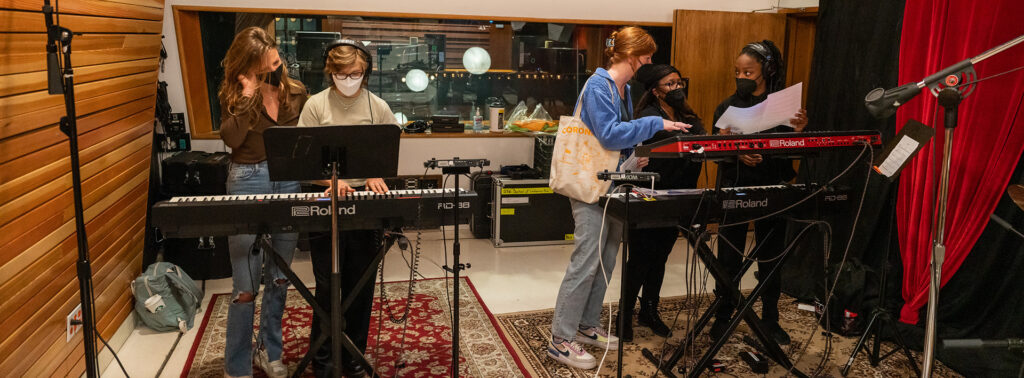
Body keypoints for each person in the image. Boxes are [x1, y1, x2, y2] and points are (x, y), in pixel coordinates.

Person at [547, 26, 690, 370]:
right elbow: (608, 135)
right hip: (590, 186)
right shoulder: (598, 85)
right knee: (586, 260)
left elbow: (617, 139)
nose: (650, 62)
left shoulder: (621, 88)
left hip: (611, 183)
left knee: (607, 256)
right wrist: (656, 123)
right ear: (631, 55)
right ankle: (560, 340)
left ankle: (586, 324)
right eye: (648, 56)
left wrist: (634, 156)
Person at [297, 39, 400, 378]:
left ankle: (354, 354)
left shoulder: (378, 107)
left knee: (361, 283)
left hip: (363, 205)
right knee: (328, 286)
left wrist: (373, 174)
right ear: (332, 73)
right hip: (326, 204)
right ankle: (324, 359)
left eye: (356, 73)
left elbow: (385, 156)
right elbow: (303, 161)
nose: (350, 79)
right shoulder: (315, 106)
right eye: (343, 74)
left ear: (366, 71)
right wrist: (330, 182)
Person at [217, 26, 307, 378]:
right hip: (247, 179)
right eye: (266, 66)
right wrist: (248, 95)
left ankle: (271, 351)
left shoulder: (295, 92)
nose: (276, 69)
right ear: (248, 68)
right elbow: (231, 138)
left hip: (289, 179)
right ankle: (237, 365)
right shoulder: (233, 93)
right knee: (245, 286)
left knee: (280, 279)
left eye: (277, 61)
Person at [709, 40, 808, 346]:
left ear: (767, 70)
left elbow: (791, 149)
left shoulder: (782, 105)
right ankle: (722, 316)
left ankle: (770, 319)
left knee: (771, 256)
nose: (741, 76)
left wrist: (798, 132)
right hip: (735, 189)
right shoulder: (726, 106)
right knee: (728, 257)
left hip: (772, 188)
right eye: (737, 71)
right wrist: (734, 151)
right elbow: (712, 150)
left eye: (748, 71)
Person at [615, 63, 706, 341]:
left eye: (679, 83)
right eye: (670, 84)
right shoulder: (648, 117)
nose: (677, 88)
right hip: (649, 196)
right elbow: (674, 143)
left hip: (678, 197)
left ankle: (650, 310)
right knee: (641, 259)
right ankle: (624, 314)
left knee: (661, 257)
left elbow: (700, 141)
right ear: (655, 91)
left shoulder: (688, 115)